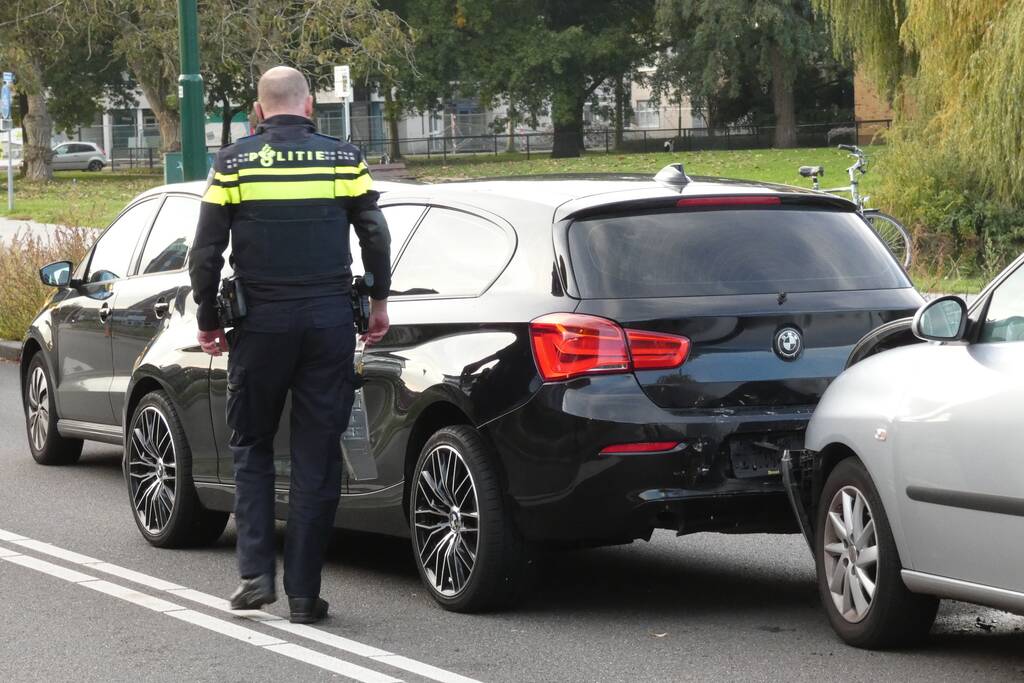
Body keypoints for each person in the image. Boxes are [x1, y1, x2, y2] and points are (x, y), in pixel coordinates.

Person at [188, 65, 391, 624]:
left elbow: (204, 252)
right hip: (328, 323)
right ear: (308, 107)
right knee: (317, 455)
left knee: (251, 444)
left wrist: (208, 316)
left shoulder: (232, 162)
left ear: (259, 108)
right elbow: (374, 232)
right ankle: (304, 595)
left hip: (260, 328)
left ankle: (255, 574)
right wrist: (377, 301)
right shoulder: (343, 157)